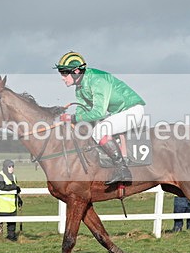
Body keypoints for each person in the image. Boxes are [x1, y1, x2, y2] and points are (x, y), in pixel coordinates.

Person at [54, 51, 146, 185]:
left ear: (76, 72)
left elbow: (98, 113)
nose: (62, 78)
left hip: (132, 111)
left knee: (99, 131)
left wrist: (72, 118)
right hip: (119, 113)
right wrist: (71, 123)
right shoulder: (79, 88)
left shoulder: (97, 80)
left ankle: (123, 170)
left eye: (64, 74)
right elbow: (82, 110)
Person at [0, 159, 22, 241]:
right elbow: (2, 186)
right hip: (1, 206)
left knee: (12, 226)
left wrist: (19, 199)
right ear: (5, 167)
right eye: (9, 166)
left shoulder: (14, 176)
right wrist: (15, 187)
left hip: (11, 206)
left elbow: (15, 190)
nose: (12, 168)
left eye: (13, 166)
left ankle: (11, 238)